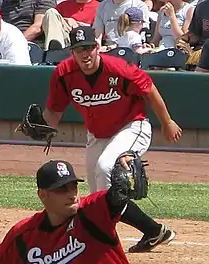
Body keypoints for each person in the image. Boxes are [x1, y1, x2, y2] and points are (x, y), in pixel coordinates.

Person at [41, 25, 182, 253]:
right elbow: (54, 111)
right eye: (79, 50)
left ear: (97, 48)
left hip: (132, 126)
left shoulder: (118, 68)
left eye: (88, 48)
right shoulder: (64, 74)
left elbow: (149, 89)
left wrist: (167, 122)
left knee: (105, 167)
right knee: (98, 195)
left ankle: (103, 240)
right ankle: (154, 230)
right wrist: (44, 128)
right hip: (97, 134)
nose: (85, 54)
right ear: (72, 53)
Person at [0, 160, 130, 263]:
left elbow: (113, 200)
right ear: (42, 195)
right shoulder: (24, 235)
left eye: (74, 187)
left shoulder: (90, 213)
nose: (72, 195)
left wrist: (125, 161)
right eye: (62, 189)